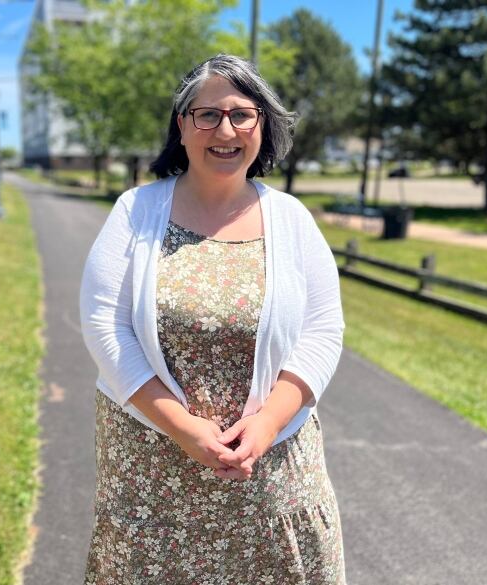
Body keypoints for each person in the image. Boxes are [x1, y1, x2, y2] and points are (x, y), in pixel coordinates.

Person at [80, 53, 346, 583]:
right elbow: (104, 324)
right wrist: (183, 428)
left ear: (261, 126)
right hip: (153, 478)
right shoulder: (135, 210)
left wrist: (267, 423)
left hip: (271, 477)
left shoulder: (291, 219)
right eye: (208, 115)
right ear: (182, 126)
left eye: (242, 114)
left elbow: (322, 330)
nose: (225, 130)